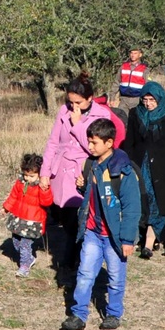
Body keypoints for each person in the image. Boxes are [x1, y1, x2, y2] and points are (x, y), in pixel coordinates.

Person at [60, 119, 140, 330]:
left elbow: (132, 208)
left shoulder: (122, 172)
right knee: (84, 274)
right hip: (92, 233)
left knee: (115, 277)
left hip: (114, 236)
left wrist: (127, 239)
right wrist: (83, 187)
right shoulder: (91, 165)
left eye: (94, 142)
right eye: (89, 141)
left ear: (109, 142)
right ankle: (78, 314)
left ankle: (113, 314)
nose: (90, 146)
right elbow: (92, 197)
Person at [40, 73, 118, 271]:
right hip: (61, 169)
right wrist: (45, 171)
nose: (73, 106)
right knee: (63, 214)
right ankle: (73, 252)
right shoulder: (62, 111)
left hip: (83, 170)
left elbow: (94, 146)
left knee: (80, 215)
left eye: (78, 102)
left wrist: (78, 124)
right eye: (70, 101)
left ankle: (74, 257)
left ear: (89, 99)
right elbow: (53, 141)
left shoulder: (102, 115)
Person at [122, 81, 165, 258]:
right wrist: (127, 166)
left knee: (160, 206)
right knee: (143, 202)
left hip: (164, 169)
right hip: (141, 166)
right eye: (145, 99)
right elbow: (131, 142)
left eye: (152, 100)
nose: (148, 103)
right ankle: (144, 240)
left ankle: (149, 244)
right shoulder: (136, 113)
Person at [1, 154, 54, 277]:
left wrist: (45, 190)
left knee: (25, 244)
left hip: (33, 221)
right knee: (16, 242)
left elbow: (47, 202)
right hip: (18, 219)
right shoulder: (20, 183)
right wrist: (6, 207)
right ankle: (29, 258)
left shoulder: (42, 186)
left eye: (32, 176)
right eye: (26, 175)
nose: (28, 178)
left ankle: (24, 266)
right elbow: (13, 196)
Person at [116, 47, 148, 112]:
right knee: (122, 119)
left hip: (137, 100)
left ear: (140, 55)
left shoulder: (144, 69)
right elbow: (116, 82)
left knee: (136, 120)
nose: (133, 55)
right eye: (131, 53)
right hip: (124, 99)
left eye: (135, 53)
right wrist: (112, 97)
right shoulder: (123, 66)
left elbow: (148, 85)